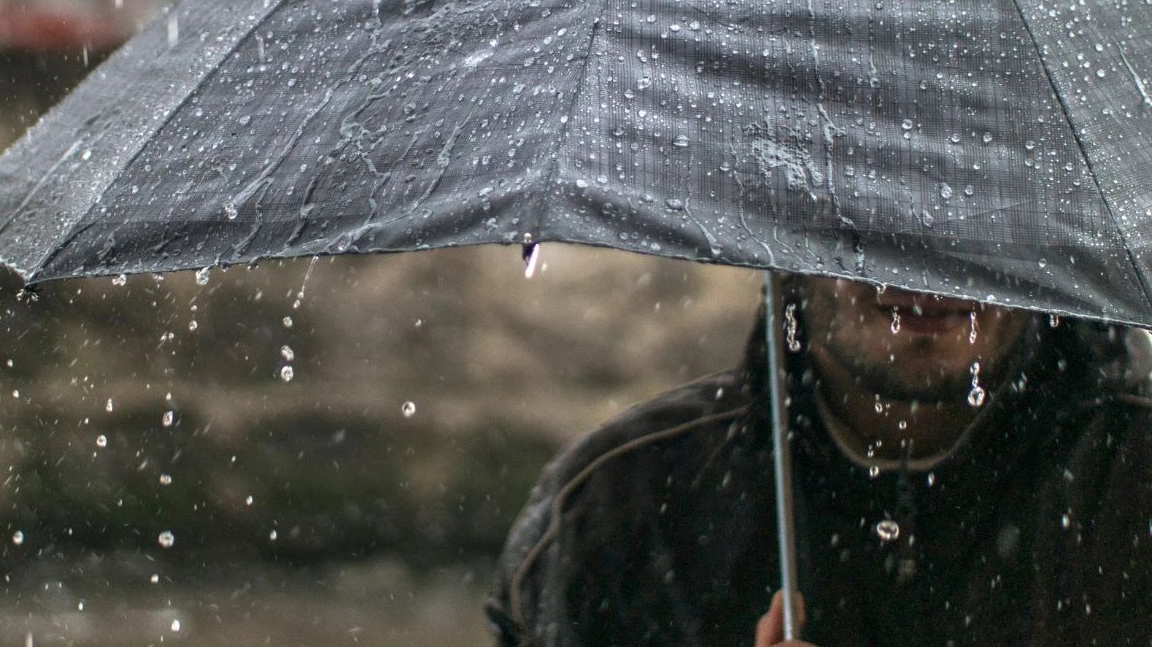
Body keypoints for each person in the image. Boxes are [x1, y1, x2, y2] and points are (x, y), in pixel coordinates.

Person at [486, 275, 1152, 646]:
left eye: (979, 202)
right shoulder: (617, 512)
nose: (928, 259)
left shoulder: (1135, 481)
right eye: (874, 198)